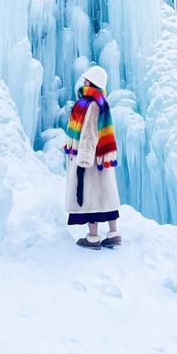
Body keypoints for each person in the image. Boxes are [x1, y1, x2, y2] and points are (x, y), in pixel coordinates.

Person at [64, 65, 121, 250]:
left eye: (87, 80)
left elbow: (89, 133)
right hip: (101, 158)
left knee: (91, 198)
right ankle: (113, 234)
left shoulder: (91, 105)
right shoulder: (100, 102)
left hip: (90, 159)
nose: (84, 82)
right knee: (107, 196)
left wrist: (85, 158)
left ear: (92, 82)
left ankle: (93, 237)